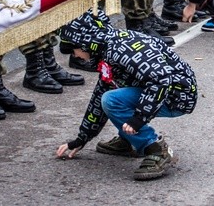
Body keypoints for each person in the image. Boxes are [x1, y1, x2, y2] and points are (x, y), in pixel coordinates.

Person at [55, 10, 197, 181]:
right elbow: (100, 96)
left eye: (73, 50)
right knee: (109, 96)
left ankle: (155, 149)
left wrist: (138, 119)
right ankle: (128, 140)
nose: (75, 55)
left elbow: (161, 79)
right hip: (169, 91)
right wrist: (82, 138)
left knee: (112, 100)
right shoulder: (110, 46)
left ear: (85, 43)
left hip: (176, 97)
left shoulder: (119, 52)